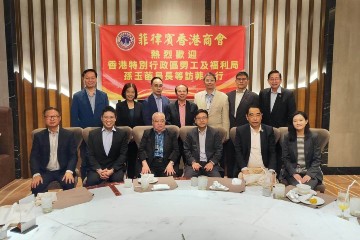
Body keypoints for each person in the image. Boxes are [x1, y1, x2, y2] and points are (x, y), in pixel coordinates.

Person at [70, 69, 109, 180]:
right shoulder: (77, 96)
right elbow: (74, 117)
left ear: (96, 79)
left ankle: (103, 182)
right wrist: (79, 134)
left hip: (101, 133)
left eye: (92, 78)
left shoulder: (103, 95)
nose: (90, 80)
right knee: (85, 159)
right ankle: (86, 183)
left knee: (102, 158)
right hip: (84, 134)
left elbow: (107, 115)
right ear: (83, 79)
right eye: (87, 78)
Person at [30, 107, 77, 195]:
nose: (52, 119)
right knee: (36, 186)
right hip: (45, 171)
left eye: (54, 116)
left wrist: (69, 171)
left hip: (63, 171)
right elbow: (34, 157)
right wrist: (36, 174)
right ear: (45, 119)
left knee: (69, 183)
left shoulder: (69, 135)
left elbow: (73, 156)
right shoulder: (39, 136)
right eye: (49, 116)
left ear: (59, 118)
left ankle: (67, 207)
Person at [226, 71, 259, 177]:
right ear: (235, 81)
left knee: (242, 155)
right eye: (239, 79)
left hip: (245, 131)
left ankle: (243, 177)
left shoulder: (253, 96)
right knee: (230, 155)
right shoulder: (228, 95)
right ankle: (231, 178)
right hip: (230, 130)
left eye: (244, 79)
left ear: (248, 81)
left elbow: (254, 114)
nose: (241, 81)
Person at [86, 106, 128, 186]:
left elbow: (123, 155)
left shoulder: (122, 134)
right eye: (106, 117)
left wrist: (112, 170)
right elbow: (90, 154)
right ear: (101, 118)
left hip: (115, 168)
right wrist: (99, 170)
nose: (108, 120)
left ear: (115, 118)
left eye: (111, 117)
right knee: (92, 181)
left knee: (117, 180)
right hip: (97, 168)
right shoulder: (93, 134)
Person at [282, 111, 323, 189]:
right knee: (297, 188)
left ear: (306, 121)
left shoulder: (313, 137)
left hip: (310, 172)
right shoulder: (287, 137)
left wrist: (309, 174)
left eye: (301, 120)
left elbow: (317, 159)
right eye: (295, 121)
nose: (298, 123)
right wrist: (294, 173)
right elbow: (285, 158)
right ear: (292, 123)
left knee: (306, 189)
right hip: (293, 172)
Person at [234, 106, 276, 176]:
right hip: (246, 170)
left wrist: (271, 170)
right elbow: (238, 151)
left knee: (269, 184)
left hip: (264, 170)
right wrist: (244, 168)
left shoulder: (269, 130)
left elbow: (272, 152)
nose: (255, 118)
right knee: (243, 184)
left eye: (258, 115)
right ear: (247, 117)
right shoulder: (240, 131)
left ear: (261, 116)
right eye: (251, 115)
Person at [115, 83, 144, 178]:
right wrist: (128, 135)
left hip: (136, 139)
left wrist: (135, 135)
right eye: (128, 92)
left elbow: (142, 122)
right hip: (124, 138)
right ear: (124, 92)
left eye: (133, 92)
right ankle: (122, 178)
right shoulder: (119, 105)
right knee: (122, 159)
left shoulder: (140, 105)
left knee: (133, 160)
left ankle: (132, 178)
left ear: (135, 93)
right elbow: (118, 123)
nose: (130, 94)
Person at [138, 112, 180, 177]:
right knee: (146, 179)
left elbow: (176, 150)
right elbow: (141, 149)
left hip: (166, 163)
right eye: (157, 121)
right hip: (150, 163)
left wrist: (171, 163)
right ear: (152, 122)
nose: (159, 123)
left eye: (162, 121)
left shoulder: (172, 134)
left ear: (165, 122)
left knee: (170, 179)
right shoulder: (147, 133)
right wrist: (144, 163)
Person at [183, 109, 222, 178]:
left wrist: (212, 163)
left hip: (210, 163)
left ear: (207, 119)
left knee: (217, 180)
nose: (202, 120)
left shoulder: (215, 133)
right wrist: (193, 162)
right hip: (195, 163)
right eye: (199, 118)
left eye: (204, 118)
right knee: (187, 179)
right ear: (195, 120)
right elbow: (186, 150)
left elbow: (219, 150)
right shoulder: (190, 133)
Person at [194, 72, 230, 137]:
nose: (209, 82)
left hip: (217, 131)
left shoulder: (223, 97)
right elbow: (195, 116)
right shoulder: (197, 96)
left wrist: (226, 135)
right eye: (207, 80)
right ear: (204, 82)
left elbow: (225, 118)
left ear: (215, 82)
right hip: (201, 130)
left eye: (212, 80)